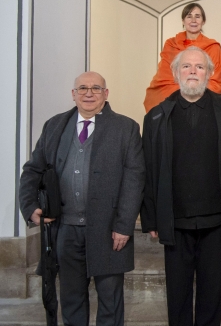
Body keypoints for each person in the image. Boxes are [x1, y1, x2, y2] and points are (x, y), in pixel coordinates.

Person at [19, 72, 145, 326]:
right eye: (83, 88)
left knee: (110, 301)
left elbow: (135, 179)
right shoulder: (54, 125)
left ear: (106, 94)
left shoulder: (126, 128)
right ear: (73, 94)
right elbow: (33, 170)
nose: (89, 93)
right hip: (64, 228)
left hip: (108, 230)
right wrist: (30, 206)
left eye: (96, 88)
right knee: (71, 298)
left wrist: (124, 226)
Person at [140, 47, 221, 326]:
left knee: (213, 289)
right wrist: (151, 217)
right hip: (175, 218)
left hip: (216, 217)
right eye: (186, 67)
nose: (193, 72)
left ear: (210, 73)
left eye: (199, 67)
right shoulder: (156, 116)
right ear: (175, 73)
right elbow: (148, 169)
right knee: (177, 292)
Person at [143, 3, 221, 112]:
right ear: (183, 21)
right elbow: (164, 76)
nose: (193, 20)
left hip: (203, 101)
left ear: (203, 21)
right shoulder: (171, 44)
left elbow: (216, 81)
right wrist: (183, 92)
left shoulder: (212, 47)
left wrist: (192, 92)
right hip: (173, 98)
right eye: (189, 16)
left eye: (197, 17)